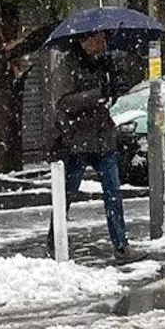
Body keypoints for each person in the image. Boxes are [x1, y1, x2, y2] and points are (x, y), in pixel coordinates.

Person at [50, 31, 141, 262]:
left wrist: (114, 87)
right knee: (67, 193)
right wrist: (98, 94)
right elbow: (63, 102)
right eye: (98, 40)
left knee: (113, 193)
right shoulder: (67, 64)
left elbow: (108, 97)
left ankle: (121, 245)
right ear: (84, 41)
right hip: (78, 139)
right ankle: (54, 241)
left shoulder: (104, 62)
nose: (103, 45)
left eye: (104, 40)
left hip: (103, 137)